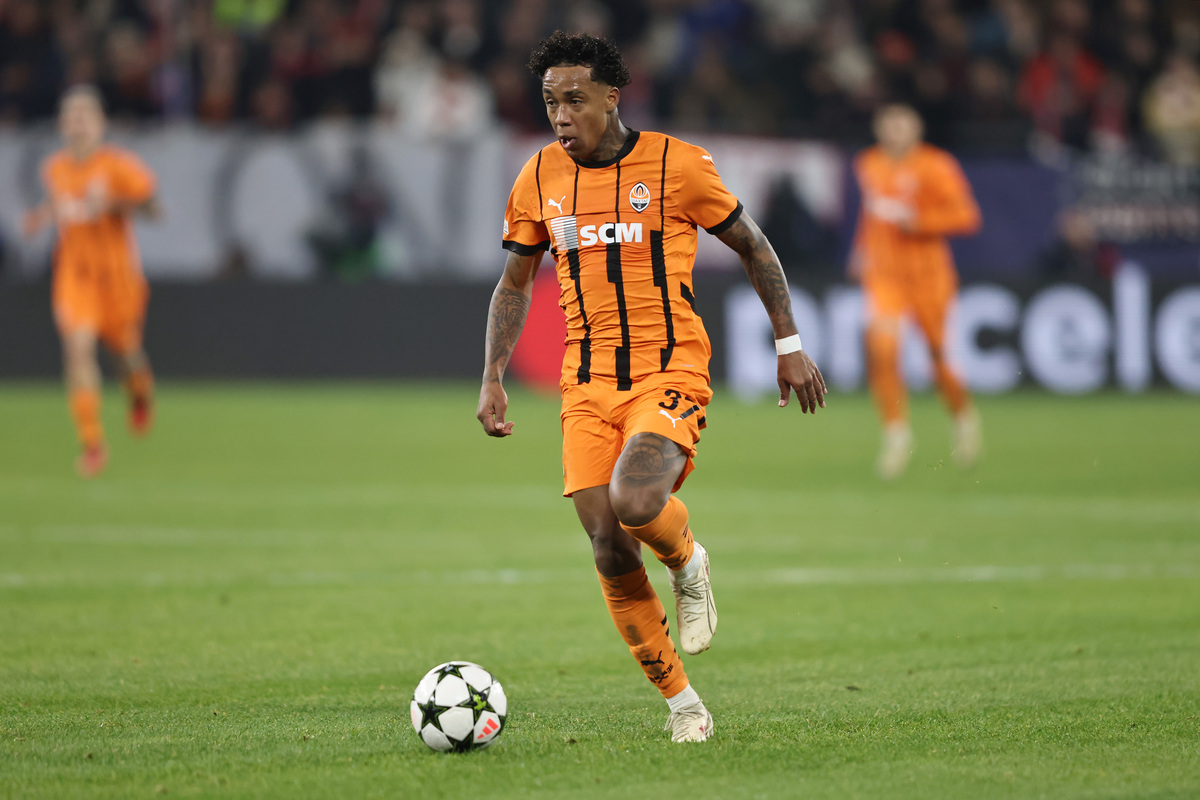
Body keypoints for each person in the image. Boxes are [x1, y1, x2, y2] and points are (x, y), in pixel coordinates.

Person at [476, 32, 826, 744]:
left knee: (639, 504)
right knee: (607, 547)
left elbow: (754, 246)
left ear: (613, 95)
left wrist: (788, 344)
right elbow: (515, 282)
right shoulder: (538, 176)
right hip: (586, 384)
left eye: (575, 99)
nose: (561, 115)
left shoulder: (677, 165)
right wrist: (492, 375)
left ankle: (688, 557)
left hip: (670, 371)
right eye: (550, 102)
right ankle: (683, 705)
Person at [23, 85, 160, 478]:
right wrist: (41, 216)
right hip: (75, 274)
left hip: (117, 276)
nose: (78, 124)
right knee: (78, 348)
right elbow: (65, 203)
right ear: (62, 125)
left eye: (86, 116)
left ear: (100, 124)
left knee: (126, 354)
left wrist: (115, 204)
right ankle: (92, 442)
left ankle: (139, 392)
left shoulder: (120, 167)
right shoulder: (55, 169)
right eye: (71, 116)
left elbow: (154, 209)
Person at [849, 103, 982, 480]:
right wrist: (861, 249)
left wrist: (917, 221)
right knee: (883, 349)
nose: (894, 133)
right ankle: (896, 435)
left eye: (902, 125)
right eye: (888, 125)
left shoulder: (936, 165)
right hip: (885, 276)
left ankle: (962, 417)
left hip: (929, 276)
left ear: (917, 129)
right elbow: (871, 213)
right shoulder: (868, 163)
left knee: (939, 360)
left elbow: (967, 216)